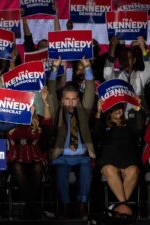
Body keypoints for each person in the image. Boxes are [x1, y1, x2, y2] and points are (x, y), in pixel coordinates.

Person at [47, 57, 96, 219]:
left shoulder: (84, 110)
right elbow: (52, 92)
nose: (70, 103)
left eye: (74, 99)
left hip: (82, 156)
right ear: (62, 100)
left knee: (86, 169)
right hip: (62, 156)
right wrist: (54, 69)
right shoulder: (57, 112)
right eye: (67, 99)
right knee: (60, 172)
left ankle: (82, 205)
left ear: (78, 100)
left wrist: (87, 66)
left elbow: (89, 89)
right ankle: (65, 206)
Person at [6, 87, 51, 219]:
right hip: (17, 157)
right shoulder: (13, 120)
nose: (29, 107)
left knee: (38, 166)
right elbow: (8, 135)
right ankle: (33, 207)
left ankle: (29, 206)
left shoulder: (39, 120)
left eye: (31, 105)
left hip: (35, 157)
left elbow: (48, 122)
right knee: (16, 166)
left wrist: (45, 101)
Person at [94, 102, 142, 216]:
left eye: (120, 107)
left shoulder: (129, 123)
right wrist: (98, 111)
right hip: (108, 161)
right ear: (109, 111)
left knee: (134, 171)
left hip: (128, 161)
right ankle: (124, 206)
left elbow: (139, 130)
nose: (119, 110)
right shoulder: (104, 124)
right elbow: (95, 135)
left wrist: (138, 109)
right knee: (110, 170)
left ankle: (116, 208)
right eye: (115, 108)